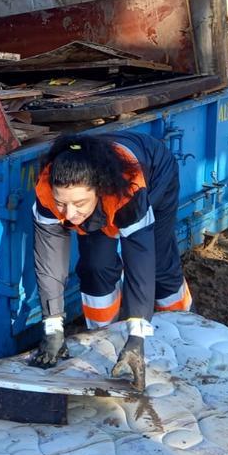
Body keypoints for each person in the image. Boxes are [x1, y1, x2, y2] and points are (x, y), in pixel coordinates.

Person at [29, 132, 193, 391]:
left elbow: (141, 262)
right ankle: (104, 336)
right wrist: (53, 327)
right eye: (62, 204)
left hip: (155, 172)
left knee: (159, 263)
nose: (69, 215)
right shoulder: (49, 194)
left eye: (79, 203)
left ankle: (183, 328)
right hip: (103, 199)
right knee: (95, 267)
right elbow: (49, 264)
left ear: (99, 188)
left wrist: (137, 338)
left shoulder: (129, 192)